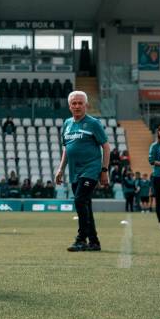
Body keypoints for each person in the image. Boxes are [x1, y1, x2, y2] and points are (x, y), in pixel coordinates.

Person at [55, 90, 110, 252]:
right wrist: (60, 169)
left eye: (80, 103)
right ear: (69, 106)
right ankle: (94, 242)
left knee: (79, 200)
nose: (77, 106)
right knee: (85, 204)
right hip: (74, 172)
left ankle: (81, 239)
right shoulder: (67, 124)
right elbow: (67, 148)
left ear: (86, 105)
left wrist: (104, 170)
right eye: (74, 103)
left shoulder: (93, 123)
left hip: (91, 169)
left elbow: (106, 147)